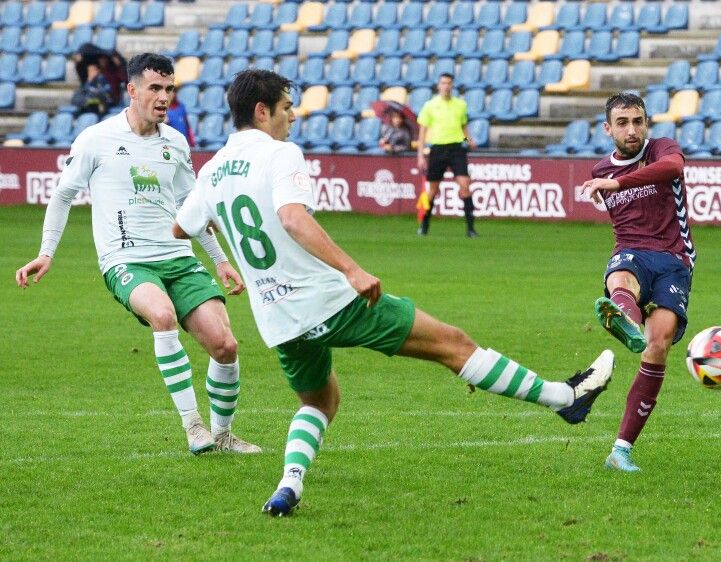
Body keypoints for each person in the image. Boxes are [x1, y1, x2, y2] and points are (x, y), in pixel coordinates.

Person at [171, 69, 615, 516]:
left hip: (278, 319)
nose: (293, 116)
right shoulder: (280, 154)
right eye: (287, 107)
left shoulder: (211, 171)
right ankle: (567, 399)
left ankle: (290, 483)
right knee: (454, 344)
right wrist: (352, 269)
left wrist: (226, 252)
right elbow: (291, 217)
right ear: (262, 111)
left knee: (320, 401)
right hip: (331, 301)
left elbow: (181, 225)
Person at [15, 53, 260, 455]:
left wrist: (219, 260)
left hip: (179, 259)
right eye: (155, 89)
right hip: (125, 259)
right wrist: (46, 252)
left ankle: (223, 434)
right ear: (132, 90)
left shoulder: (176, 143)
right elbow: (62, 196)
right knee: (162, 316)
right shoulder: (97, 139)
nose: (164, 97)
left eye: (169, 89)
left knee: (225, 346)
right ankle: (192, 425)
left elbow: (192, 208)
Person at [580, 92, 694, 473]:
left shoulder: (663, 149)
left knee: (658, 343)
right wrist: (609, 183)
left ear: (647, 123)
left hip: (674, 259)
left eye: (638, 121)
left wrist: (618, 183)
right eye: (623, 123)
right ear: (607, 128)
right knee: (621, 276)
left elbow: (672, 169)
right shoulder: (599, 171)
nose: (632, 130)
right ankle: (625, 318)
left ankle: (621, 449)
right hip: (631, 250)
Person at [415, 73, 478, 238]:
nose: (446, 86)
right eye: (443, 83)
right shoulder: (430, 105)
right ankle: (424, 224)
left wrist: (468, 140)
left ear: (452, 86)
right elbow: (422, 133)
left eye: (449, 83)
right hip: (437, 149)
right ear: (438, 86)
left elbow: (463, 128)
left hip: (456, 148)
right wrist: (420, 155)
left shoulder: (460, 105)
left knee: (465, 185)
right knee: (432, 191)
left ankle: (470, 229)